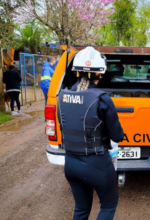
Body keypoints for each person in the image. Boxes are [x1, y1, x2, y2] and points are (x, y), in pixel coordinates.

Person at [58, 46, 124, 220]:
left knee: (80, 208)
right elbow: (117, 136)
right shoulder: (102, 98)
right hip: (97, 164)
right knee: (109, 206)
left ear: (77, 73)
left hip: (71, 164)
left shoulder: (62, 96)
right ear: (100, 74)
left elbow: (63, 126)